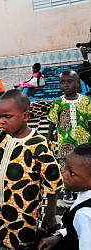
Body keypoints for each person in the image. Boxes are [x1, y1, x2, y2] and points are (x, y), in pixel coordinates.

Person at [0, 89, 63, 250]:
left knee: (18, 246)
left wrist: (51, 214)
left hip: (22, 214)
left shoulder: (39, 145)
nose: (1, 121)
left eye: (7, 117)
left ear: (26, 116)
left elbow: (53, 183)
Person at [38, 143, 91, 250]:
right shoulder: (84, 196)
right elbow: (78, 230)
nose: (64, 174)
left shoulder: (84, 214)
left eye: (71, 173)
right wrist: (60, 236)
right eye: (65, 168)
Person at [48, 70, 91, 203]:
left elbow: (89, 121)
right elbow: (52, 121)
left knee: (83, 164)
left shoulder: (86, 101)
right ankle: (68, 191)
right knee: (65, 165)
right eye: (62, 83)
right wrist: (49, 136)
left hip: (83, 141)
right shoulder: (58, 103)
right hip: (65, 142)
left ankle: (85, 187)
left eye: (70, 82)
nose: (65, 85)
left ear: (78, 83)